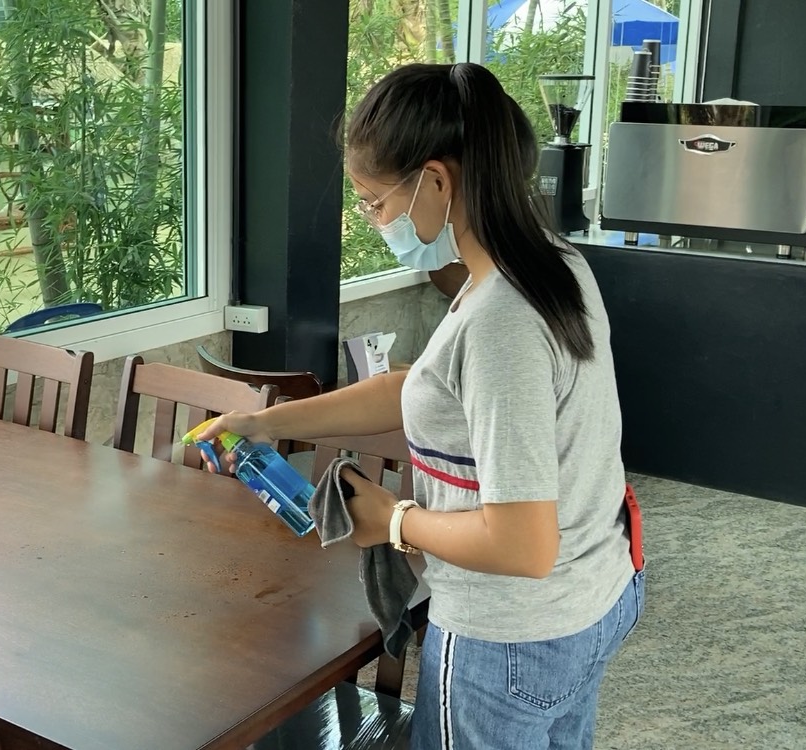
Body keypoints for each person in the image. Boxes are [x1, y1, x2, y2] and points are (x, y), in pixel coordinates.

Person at [196, 62, 644, 750]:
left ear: (436, 180)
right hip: (594, 594)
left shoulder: (501, 320)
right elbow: (423, 387)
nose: (375, 221)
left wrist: (395, 520)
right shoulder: (547, 263)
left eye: (374, 203)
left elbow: (523, 546)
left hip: (510, 635)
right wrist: (265, 421)